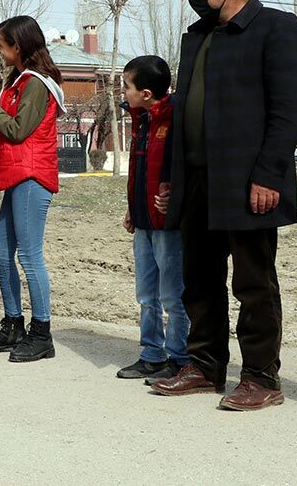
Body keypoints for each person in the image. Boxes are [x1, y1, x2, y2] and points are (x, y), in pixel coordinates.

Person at [150, 0, 297, 411]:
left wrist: (268, 175)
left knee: (254, 284)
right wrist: (169, 177)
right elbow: (181, 113)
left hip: (249, 182)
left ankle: (261, 377)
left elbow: (286, 111)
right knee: (198, 278)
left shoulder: (276, 28)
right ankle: (204, 365)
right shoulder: (197, 36)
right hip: (197, 179)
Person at [0, 15, 66, 363]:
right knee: (0, 254)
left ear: (17, 46)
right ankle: (13, 324)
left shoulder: (36, 83)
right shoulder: (18, 80)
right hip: (17, 175)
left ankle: (41, 333)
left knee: (29, 256)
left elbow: (19, 130)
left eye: (1, 43)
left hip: (32, 176)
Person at [117, 55, 189, 383]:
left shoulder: (175, 117)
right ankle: (151, 354)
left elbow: (182, 167)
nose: (124, 92)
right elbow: (138, 170)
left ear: (146, 92)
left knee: (173, 295)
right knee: (146, 294)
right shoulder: (141, 118)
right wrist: (133, 207)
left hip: (167, 225)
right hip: (143, 221)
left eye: (127, 86)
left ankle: (179, 357)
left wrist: (175, 194)